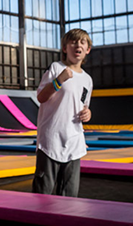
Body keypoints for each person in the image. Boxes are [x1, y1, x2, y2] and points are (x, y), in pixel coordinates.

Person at [33, 28, 93, 197]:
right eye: (73, 42)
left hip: (74, 142)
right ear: (65, 48)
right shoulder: (56, 68)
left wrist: (88, 114)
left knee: (70, 196)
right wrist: (59, 80)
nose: (78, 45)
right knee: (41, 194)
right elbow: (41, 97)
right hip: (51, 140)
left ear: (87, 49)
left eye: (82, 42)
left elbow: (83, 106)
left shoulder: (88, 80)